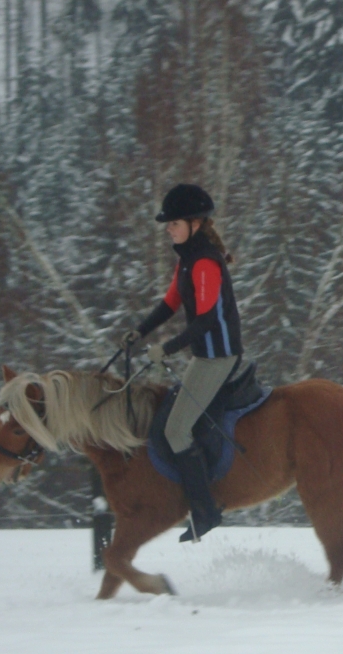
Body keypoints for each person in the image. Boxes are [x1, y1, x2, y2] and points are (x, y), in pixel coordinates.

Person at [122, 184, 243, 541]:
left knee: (175, 430)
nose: (168, 229)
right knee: (169, 424)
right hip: (205, 356)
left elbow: (205, 320)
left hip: (219, 357)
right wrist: (139, 331)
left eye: (173, 223)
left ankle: (205, 510)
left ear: (194, 223)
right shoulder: (188, 261)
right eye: (168, 223)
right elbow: (170, 304)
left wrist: (167, 348)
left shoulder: (205, 263)